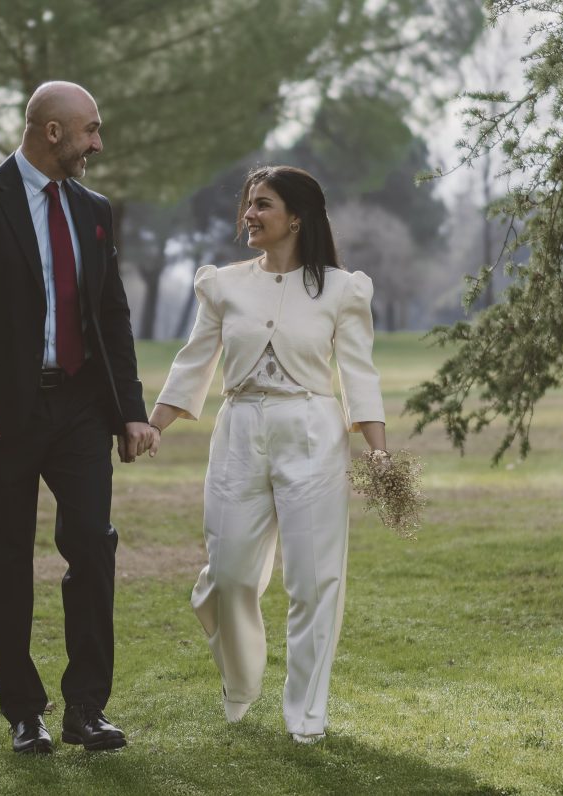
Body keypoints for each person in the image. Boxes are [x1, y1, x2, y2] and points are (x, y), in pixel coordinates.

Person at [0, 81, 155, 755]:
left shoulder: (96, 210)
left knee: (92, 544)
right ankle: (24, 712)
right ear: (52, 131)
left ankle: (87, 708)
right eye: (90, 131)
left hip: (80, 407)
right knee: (7, 561)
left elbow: (111, 315)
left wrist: (130, 413)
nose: (98, 144)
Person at [147, 166, 386, 743]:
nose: (248, 214)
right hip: (239, 430)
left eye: (263, 205)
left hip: (311, 430)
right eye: (249, 204)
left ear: (296, 218)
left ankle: (306, 715)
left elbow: (358, 372)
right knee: (228, 573)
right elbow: (194, 360)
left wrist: (378, 452)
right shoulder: (223, 285)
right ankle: (240, 677)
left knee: (313, 580)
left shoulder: (341, 288)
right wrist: (154, 425)